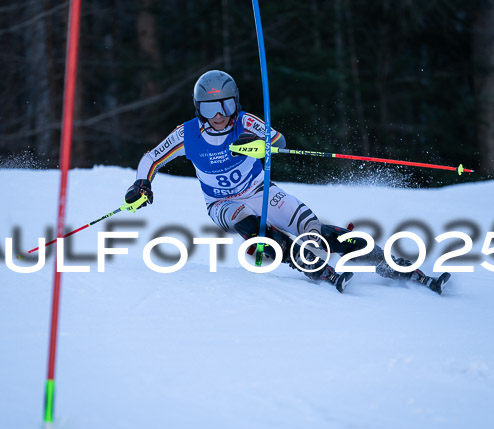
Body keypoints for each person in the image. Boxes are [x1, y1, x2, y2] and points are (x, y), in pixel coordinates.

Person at [125, 70, 450, 294]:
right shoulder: (188, 134)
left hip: (260, 190)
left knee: (315, 230)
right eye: (210, 108)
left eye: (225, 105)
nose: (219, 115)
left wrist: (260, 143)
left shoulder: (245, 122)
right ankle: (308, 264)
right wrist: (143, 184)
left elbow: (279, 140)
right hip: (223, 204)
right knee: (257, 234)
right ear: (199, 109)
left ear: (235, 102)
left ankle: (385, 261)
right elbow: (151, 157)